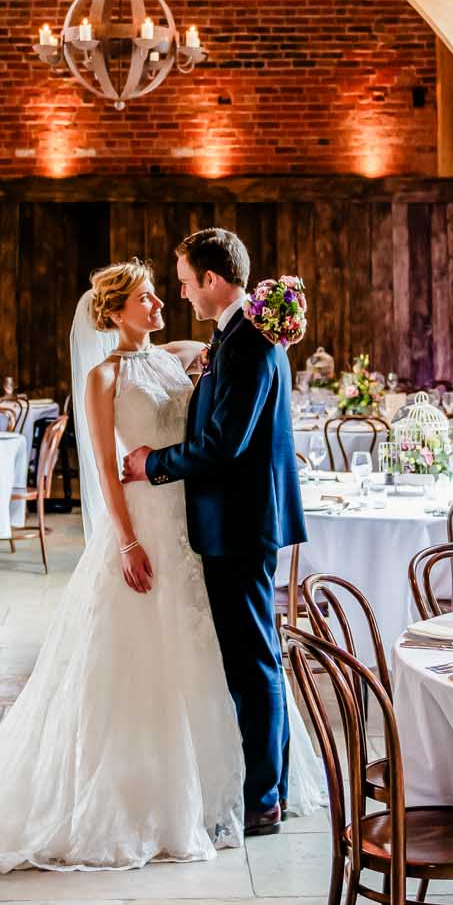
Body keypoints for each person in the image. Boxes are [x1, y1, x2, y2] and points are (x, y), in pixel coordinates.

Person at [0, 256, 320, 874]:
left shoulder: (181, 354)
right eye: (150, 297)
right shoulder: (103, 377)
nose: (163, 303)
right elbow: (105, 470)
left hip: (196, 526)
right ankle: (151, 789)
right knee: (150, 657)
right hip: (149, 525)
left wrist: (211, 357)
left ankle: (228, 783)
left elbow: (220, 369)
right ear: (115, 312)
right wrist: (126, 541)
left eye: (168, 290)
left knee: (211, 656)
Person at [124, 226, 306, 835]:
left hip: (240, 523)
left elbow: (224, 445)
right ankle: (263, 786)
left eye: (184, 283)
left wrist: (153, 464)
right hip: (231, 522)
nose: (181, 295)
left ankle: (264, 798)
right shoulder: (233, 338)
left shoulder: (250, 341)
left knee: (254, 663)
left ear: (212, 279)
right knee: (249, 659)